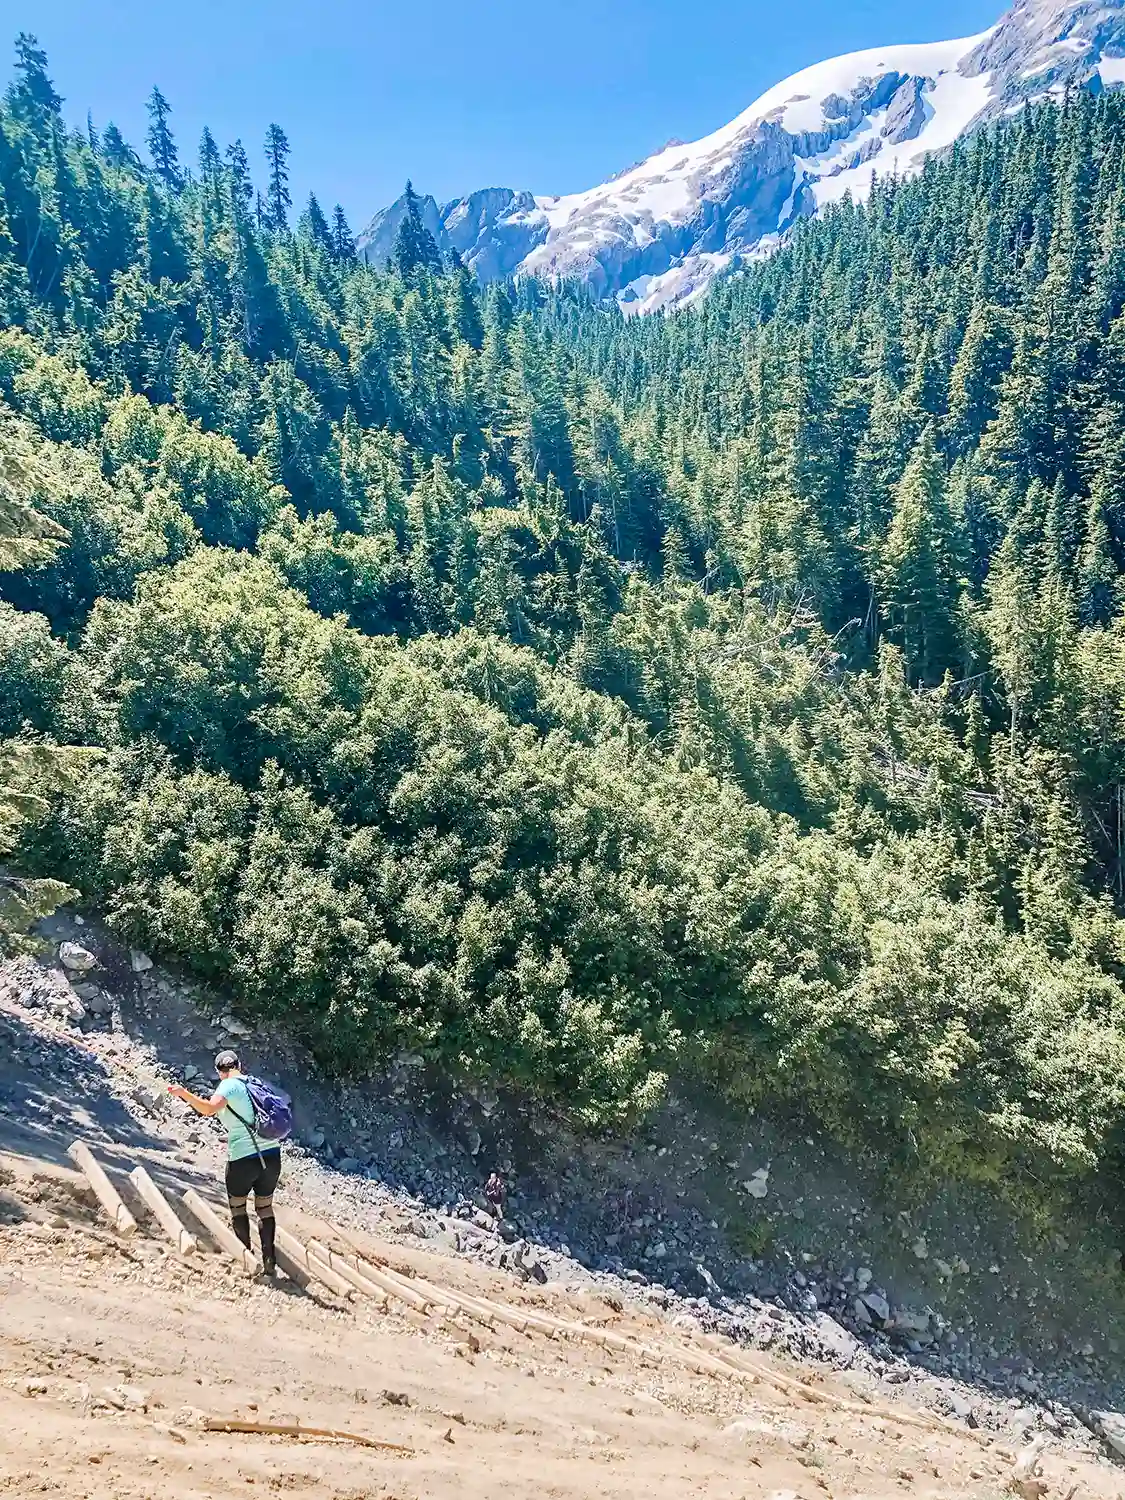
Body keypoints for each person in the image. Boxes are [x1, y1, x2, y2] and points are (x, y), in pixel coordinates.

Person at [168, 1050, 280, 1277]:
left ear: (220, 1071)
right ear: (240, 1065)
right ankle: (269, 1261)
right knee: (264, 1207)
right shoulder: (254, 1083)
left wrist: (183, 1093)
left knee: (238, 1206)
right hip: (271, 1154)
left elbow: (209, 1109)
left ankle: (246, 1260)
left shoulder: (228, 1086)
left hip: (244, 1158)